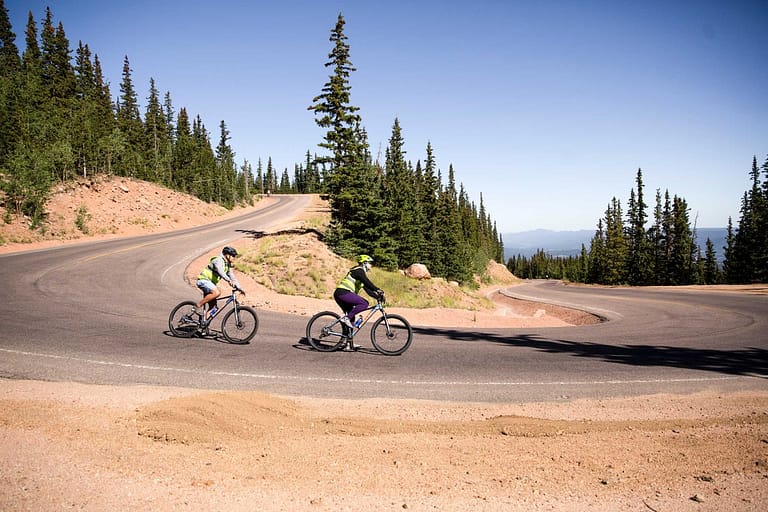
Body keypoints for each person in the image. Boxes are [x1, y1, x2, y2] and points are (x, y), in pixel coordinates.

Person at [334, 254, 385, 335]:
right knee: (364, 303)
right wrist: (378, 289)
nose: (371, 265)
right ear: (364, 263)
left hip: (342, 294)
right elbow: (367, 282)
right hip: (343, 292)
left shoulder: (360, 274)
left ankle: (348, 344)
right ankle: (346, 318)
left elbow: (368, 290)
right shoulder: (358, 271)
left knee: (351, 320)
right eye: (370, 263)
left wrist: (378, 296)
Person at [193, 246, 246, 322]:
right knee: (217, 292)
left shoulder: (227, 265)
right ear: (227, 255)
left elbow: (232, 277)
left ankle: (202, 324)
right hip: (203, 280)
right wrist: (228, 280)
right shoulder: (218, 260)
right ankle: (198, 305)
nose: (234, 258)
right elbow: (220, 270)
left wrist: (239, 288)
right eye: (233, 256)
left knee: (214, 308)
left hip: (210, 284)